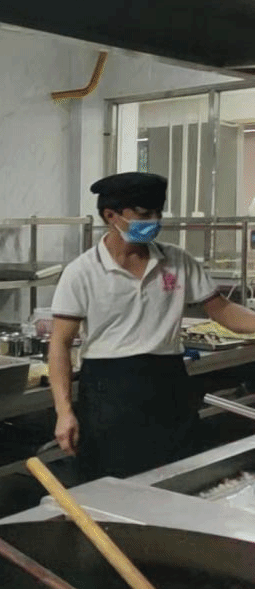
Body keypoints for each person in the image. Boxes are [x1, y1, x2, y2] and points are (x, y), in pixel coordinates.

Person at [50, 172, 255, 482]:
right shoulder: (82, 272)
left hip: (168, 384)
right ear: (111, 215)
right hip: (109, 392)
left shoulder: (177, 261)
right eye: (144, 214)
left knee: (180, 477)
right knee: (113, 486)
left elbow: (222, 311)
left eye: (158, 213)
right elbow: (60, 344)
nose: (155, 222)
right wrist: (64, 411)